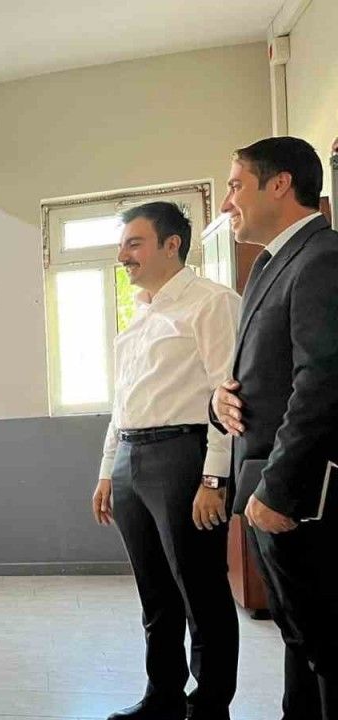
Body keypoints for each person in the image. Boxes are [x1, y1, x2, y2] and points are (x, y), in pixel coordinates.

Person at [90, 202, 240, 720]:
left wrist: (214, 477)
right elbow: (122, 403)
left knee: (201, 591)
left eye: (134, 244)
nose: (123, 256)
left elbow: (228, 396)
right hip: (131, 458)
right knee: (155, 594)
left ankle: (210, 707)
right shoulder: (141, 315)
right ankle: (163, 697)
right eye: (122, 245)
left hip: (183, 456)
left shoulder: (211, 303)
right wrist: (107, 471)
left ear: (171, 244)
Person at [210, 136, 338, 719]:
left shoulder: (321, 258)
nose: (227, 202)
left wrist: (279, 488)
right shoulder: (269, 264)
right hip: (266, 482)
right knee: (299, 639)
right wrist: (220, 399)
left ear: (280, 184)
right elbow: (264, 374)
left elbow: (323, 381)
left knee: (325, 645)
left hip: (300, 497)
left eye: (236, 185)